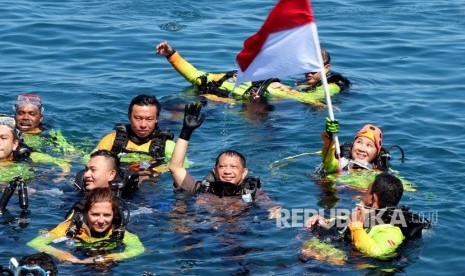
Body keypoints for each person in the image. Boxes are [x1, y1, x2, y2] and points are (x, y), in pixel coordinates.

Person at [155, 41, 350, 107]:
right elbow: (196, 76)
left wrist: (319, 105)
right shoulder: (228, 76)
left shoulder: (272, 88)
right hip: (205, 104)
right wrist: (171, 55)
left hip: (216, 111)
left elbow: (304, 98)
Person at [170, 102, 278, 214]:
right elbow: (175, 168)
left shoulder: (252, 193)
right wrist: (186, 132)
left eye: (234, 167)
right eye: (222, 166)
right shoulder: (202, 190)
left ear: (244, 172)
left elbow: (274, 209)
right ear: (215, 171)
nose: (227, 171)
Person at [303, 172, 430, 262]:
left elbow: (378, 252)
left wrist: (356, 227)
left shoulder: (392, 229)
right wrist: (322, 221)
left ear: (372, 198)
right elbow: (342, 226)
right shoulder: (364, 215)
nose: (364, 193)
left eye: (367, 190)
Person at [27, 187, 144, 264]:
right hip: (76, 253)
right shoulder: (69, 228)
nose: (101, 220)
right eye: (95, 214)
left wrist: (108, 258)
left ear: (114, 215)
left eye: (107, 215)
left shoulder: (118, 231)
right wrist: (61, 254)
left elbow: (138, 249)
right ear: (86, 213)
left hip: (103, 255)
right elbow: (35, 243)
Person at [317, 118, 415, 191]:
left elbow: (407, 188)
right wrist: (329, 140)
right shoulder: (342, 164)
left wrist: (428, 195)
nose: (362, 149)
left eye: (369, 145)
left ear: (377, 153)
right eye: (359, 142)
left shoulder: (380, 175)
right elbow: (328, 163)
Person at [95, 94, 179, 175]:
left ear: (157, 118)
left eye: (149, 119)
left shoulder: (168, 145)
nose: (143, 125)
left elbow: (181, 166)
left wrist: (150, 169)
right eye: (138, 118)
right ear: (129, 116)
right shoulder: (112, 140)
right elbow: (91, 161)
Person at [0, 116, 69, 183]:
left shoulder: (29, 156)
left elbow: (62, 163)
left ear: (15, 144)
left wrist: (62, 175)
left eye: (3, 138)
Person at [13, 93, 78, 155]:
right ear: (15, 116)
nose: (25, 117)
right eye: (21, 113)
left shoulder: (49, 132)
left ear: (40, 118)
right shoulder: (8, 128)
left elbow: (66, 146)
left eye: (31, 114)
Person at [73, 149, 139, 197]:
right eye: (87, 169)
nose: (86, 175)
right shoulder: (79, 187)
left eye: (93, 170)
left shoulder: (124, 192)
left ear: (111, 174)